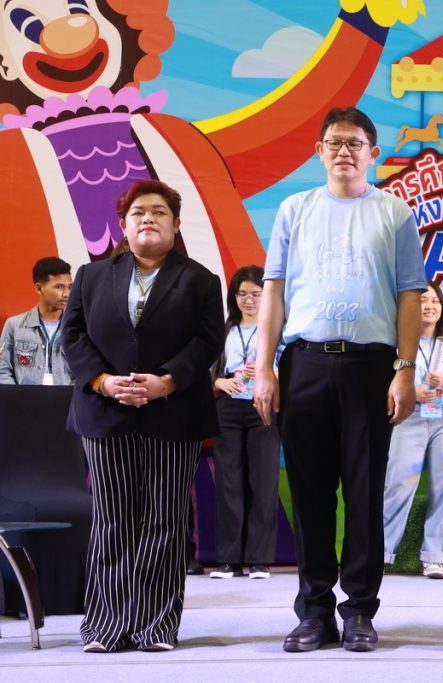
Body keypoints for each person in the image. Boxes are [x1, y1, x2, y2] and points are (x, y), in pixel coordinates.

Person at [253, 107, 425, 654]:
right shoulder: (295, 209)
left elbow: (410, 295)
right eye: (334, 142)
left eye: (355, 143)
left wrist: (404, 369)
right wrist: (264, 368)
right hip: (304, 364)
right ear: (319, 151)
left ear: (373, 153)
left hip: (371, 368)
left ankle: (359, 612)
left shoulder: (394, 213)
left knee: (364, 492)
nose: (344, 151)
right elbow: (274, 291)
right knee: (309, 493)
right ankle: (314, 612)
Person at [62, 179, 224, 652]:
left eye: (159, 212)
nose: (148, 218)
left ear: (176, 224)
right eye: (138, 212)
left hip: (174, 413)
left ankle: (156, 626)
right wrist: (102, 381)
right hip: (104, 412)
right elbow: (72, 336)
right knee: (111, 519)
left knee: (164, 520)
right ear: (123, 225)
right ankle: (106, 626)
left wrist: (166, 381)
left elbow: (208, 341)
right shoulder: (91, 276)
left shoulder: (200, 280)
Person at [382, 281, 443, 579]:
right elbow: (383, 381)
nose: (430, 306)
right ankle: (382, 552)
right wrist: (411, 392)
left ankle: (435, 557)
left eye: (435, 301)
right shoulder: (396, 341)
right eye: (422, 301)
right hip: (410, 417)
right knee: (399, 483)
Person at [210, 265, 281, 581]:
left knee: (262, 482)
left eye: (255, 294)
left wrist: (268, 372)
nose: (248, 300)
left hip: (262, 407)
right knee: (229, 483)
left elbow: (288, 368)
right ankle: (228, 560)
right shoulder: (224, 329)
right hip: (227, 408)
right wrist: (219, 382)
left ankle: (259, 560)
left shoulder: (276, 329)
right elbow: (207, 368)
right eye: (242, 294)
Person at [0, 256, 74, 385]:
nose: (66, 294)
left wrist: (72, 395)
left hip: (67, 396)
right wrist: (16, 395)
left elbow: (85, 371)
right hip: (23, 396)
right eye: (59, 287)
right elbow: (3, 370)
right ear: (39, 288)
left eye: (69, 287)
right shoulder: (15, 326)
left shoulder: (77, 328)